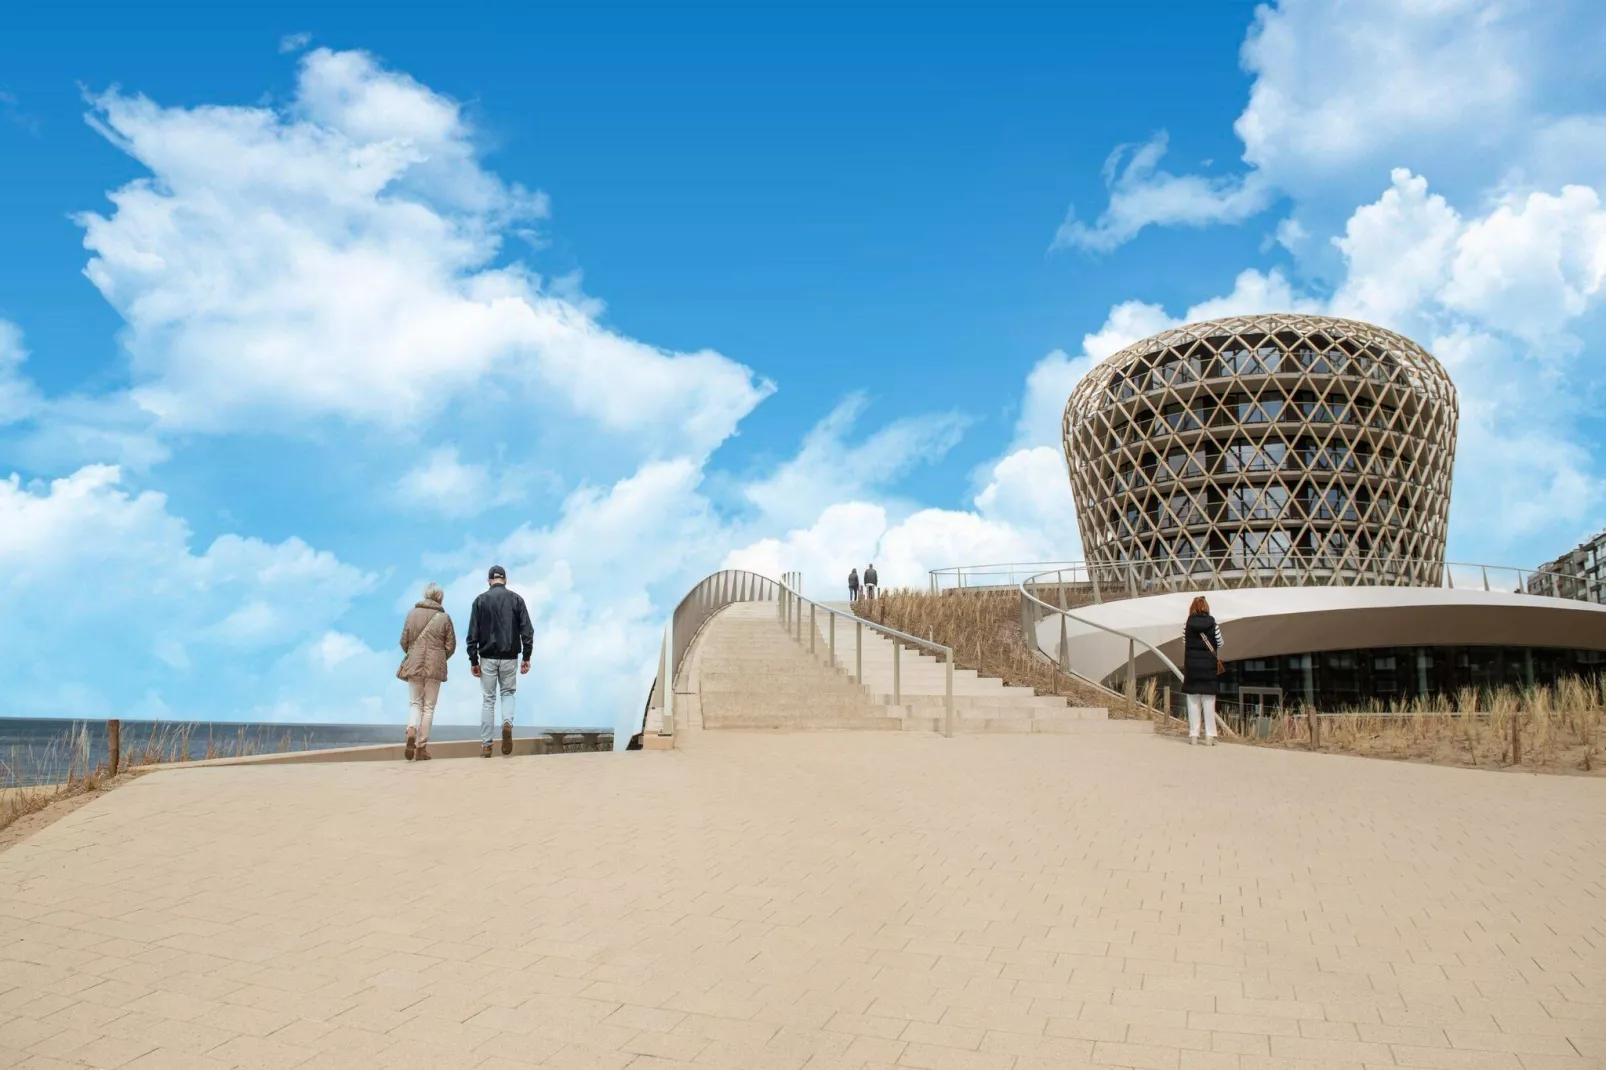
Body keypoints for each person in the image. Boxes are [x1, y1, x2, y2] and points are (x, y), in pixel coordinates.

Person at [467, 565, 534, 758]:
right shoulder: (516, 600)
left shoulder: (479, 601)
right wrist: (526, 657)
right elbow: (527, 632)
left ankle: (487, 746)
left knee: (488, 700)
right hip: (510, 657)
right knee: (508, 694)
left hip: (487, 657)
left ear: (489, 581)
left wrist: (474, 660)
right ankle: (507, 723)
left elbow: (472, 634)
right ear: (505, 579)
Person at [397, 582, 457, 762]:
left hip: (414, 665)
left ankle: (411, 729)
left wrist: (413, 654)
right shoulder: (444, 618)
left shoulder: (412, 614)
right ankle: (421, 748)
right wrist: (439, 657)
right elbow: (451, 646)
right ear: (440, 598)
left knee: (415, 703)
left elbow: (404, 641)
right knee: (429, 707)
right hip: (434, 667)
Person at [1182, 595, 1224, 746]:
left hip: (1192, 666)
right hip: (1208, 666)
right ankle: (1209, 736)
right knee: (1208, 701)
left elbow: (1185, 642)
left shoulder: (1187, 625)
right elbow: (1220, 642)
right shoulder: (1213, 624)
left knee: (1193, 701)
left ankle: (1193, 735)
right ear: (1206, 607)